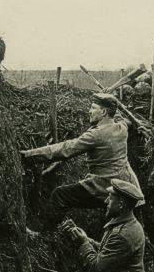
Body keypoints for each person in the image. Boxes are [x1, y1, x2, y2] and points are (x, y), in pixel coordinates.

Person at [20, 93, 144, 224]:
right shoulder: (121, 127)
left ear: (103, 112)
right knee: (133, 224)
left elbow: (65, 148)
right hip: (129, 185)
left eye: (92, 108)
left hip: (105, 185)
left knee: (60, 195)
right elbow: (126, 121)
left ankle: (47, 234)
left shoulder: (96, 135)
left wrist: (29, 155)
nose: (89, 111)